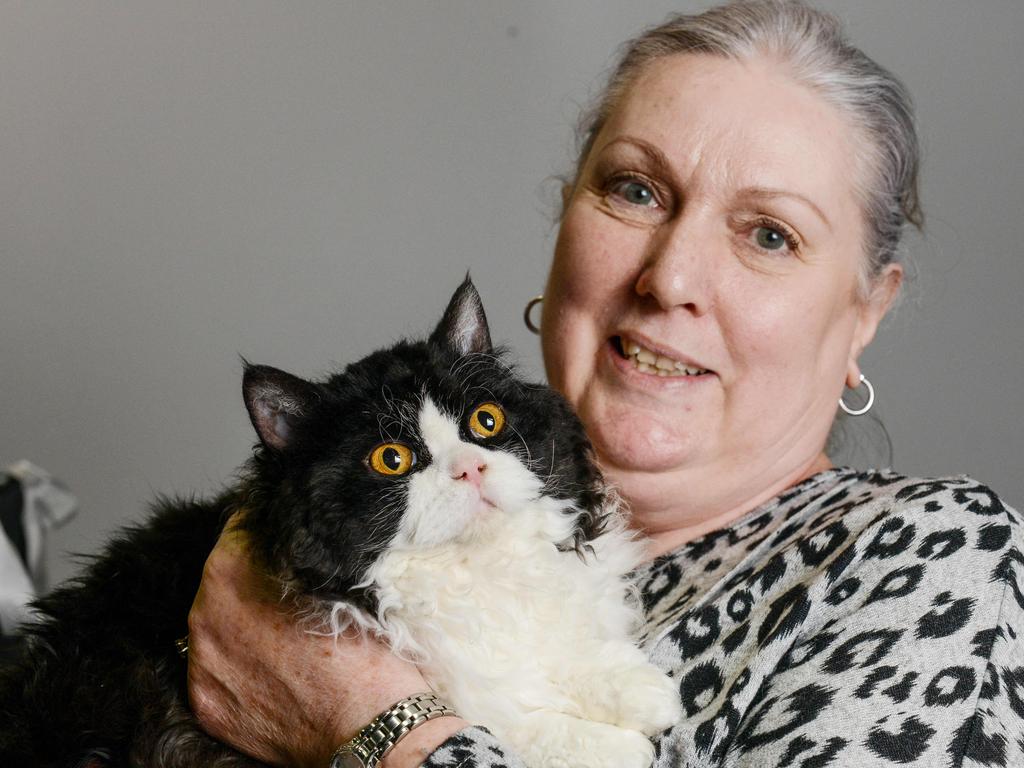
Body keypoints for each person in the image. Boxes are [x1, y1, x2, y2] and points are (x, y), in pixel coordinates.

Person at [186, 2, 1024, 766]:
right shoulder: (326, 555)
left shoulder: (932, 557)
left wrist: (373, 722)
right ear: (565, 213)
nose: (672, 276)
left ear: (866, 311)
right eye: (636, 190)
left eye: (770, 234)